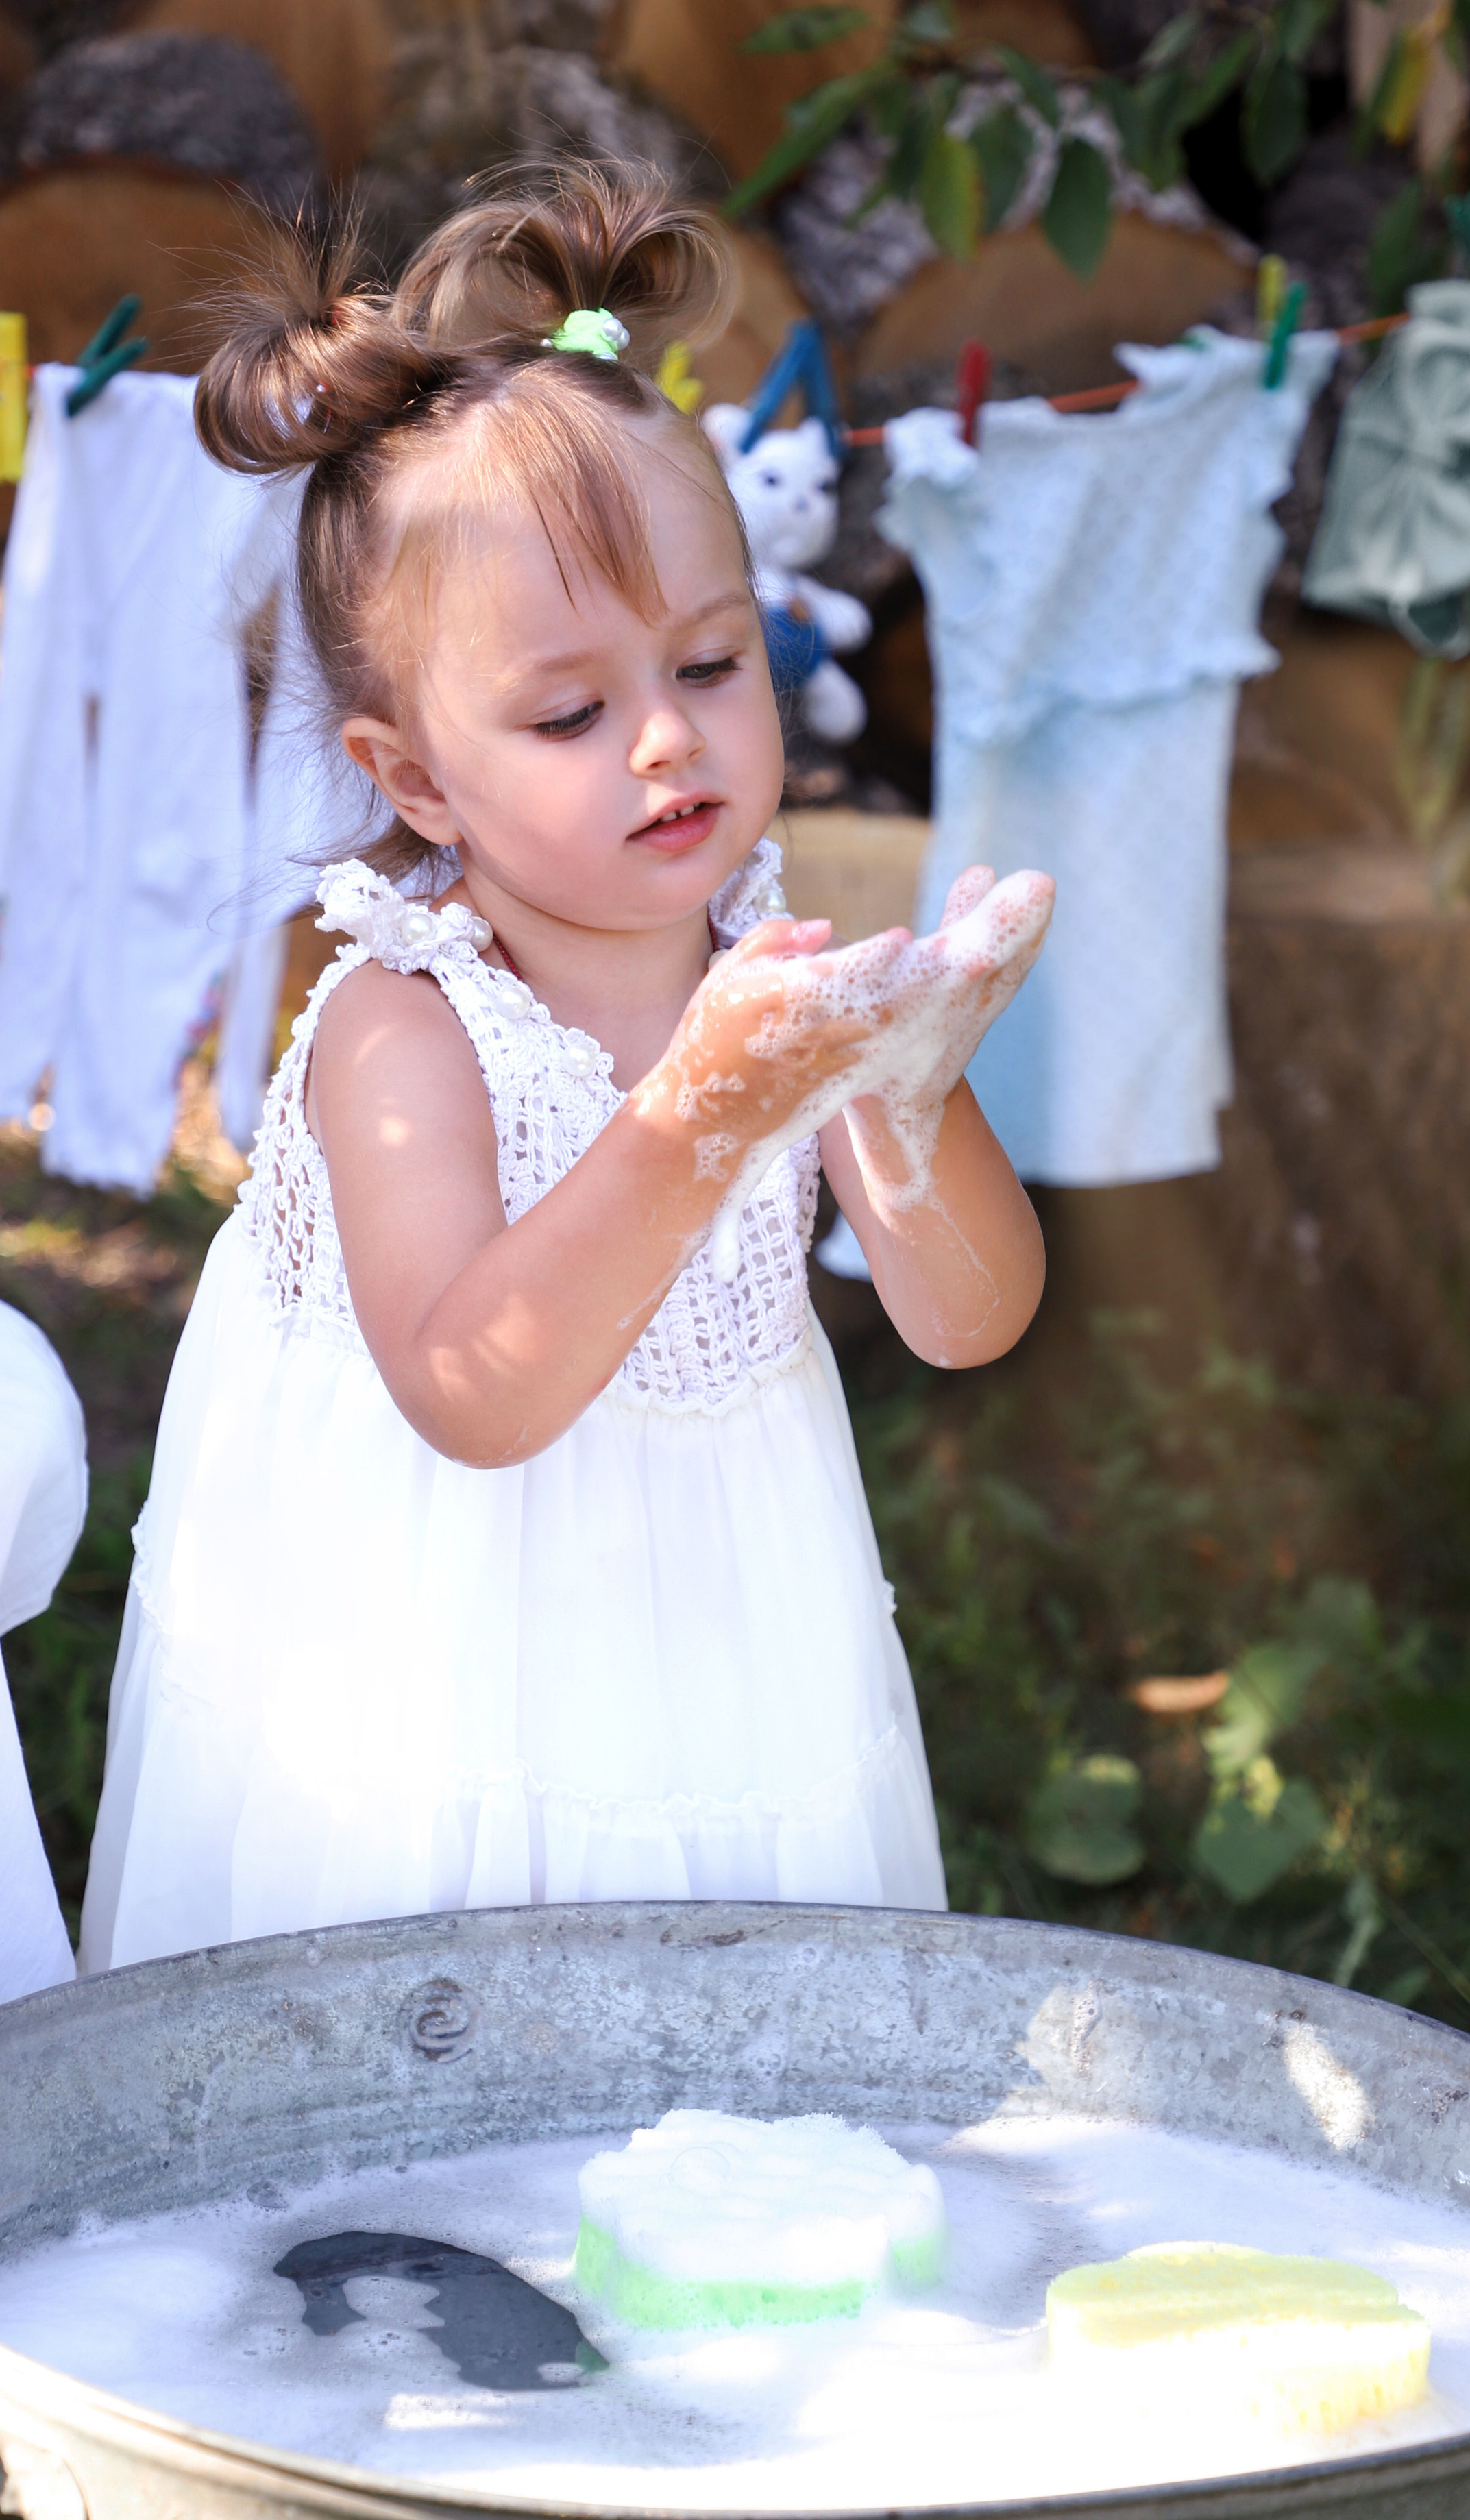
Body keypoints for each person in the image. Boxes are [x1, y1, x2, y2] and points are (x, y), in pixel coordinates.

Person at [77, 167, 1052, 1973]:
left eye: (712, 662)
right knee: (447, 2038)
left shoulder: (771, 969)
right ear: (417, 777)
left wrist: (908, 1093)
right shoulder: (405, 1024)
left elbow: (969, 1322)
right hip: (426, 1662)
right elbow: (475, 1393)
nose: (670, 737)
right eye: (571, 712)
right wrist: (703, 1111)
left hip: (726, 1630)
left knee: (730, 2018)